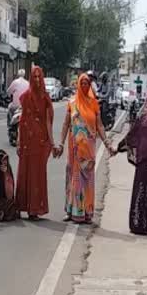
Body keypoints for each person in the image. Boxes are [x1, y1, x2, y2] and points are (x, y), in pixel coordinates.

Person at [55, 73, 110, 224]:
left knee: (87, 181)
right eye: (82, 83)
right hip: (74, 149)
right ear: (79, 85)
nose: (85, 86)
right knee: (73, 179)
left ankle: (87, 212)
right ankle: (71, 210)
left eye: (87, 83)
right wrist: (60, 143)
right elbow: (66, 124)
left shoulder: (94, 103)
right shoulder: (72, 103)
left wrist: (107, 143)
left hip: (89, 150)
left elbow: (99, 125)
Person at [118, 87, 147, 236]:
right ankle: (137, 224)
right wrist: (121, 146)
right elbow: (133, 133)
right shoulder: (142, 114)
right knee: (140, 191)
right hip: (142, 160)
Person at [16, 65, 54, 221]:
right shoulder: (26, 96)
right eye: (34, 77)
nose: (37, 79)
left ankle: (35, 209)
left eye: (39, 76)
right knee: (24, 171)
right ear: (31, 78)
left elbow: (48, 122)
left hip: (39, 141)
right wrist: (18, 141)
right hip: (26, 140)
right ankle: (20, 206)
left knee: (37, 174)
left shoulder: (45, 97)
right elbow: (22, 119)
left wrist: (52, 142)